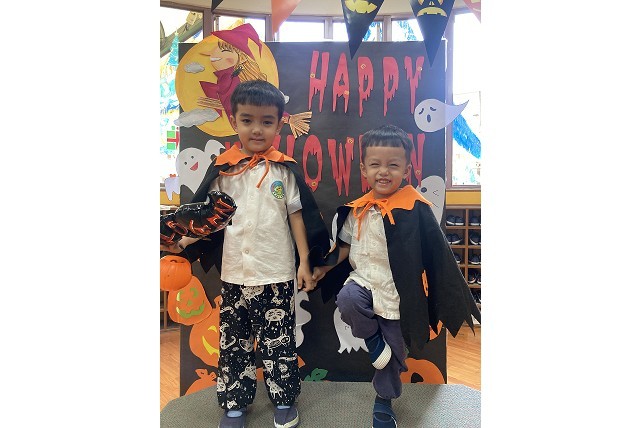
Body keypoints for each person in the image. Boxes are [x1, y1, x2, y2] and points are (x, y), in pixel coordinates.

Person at [161, 79, 330, 428]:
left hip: (276, 273)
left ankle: (284, 401)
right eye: (248, 120)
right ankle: (235, 405)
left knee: (278, 343)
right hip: (235, 273)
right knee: (234, 343)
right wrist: (184, 242)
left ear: (279, 125)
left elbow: (296, 217)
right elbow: (209, 219)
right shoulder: (225, 170)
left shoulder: (283, 170)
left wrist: (304, 262)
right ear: (233, 120)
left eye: (267, 122)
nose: (257, 129)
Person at [312, 124, 481, 428]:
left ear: (407, 169)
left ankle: (384, 399)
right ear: (363, 169)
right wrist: (322, 268)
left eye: (393, 165)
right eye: (375, 164)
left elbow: (437, 253)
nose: (383, 172)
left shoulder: (415, 208)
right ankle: (373, 340)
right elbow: (344, 248)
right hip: (364, 282)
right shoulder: (357, 210)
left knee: (394, 356)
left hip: (399, 293)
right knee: (347, 299)